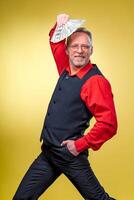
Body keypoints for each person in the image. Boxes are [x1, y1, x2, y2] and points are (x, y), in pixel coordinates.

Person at [13, 14, 118, 200]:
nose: (80, 51)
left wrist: (79, 145)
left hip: (69, 155)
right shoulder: (66, 68)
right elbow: (55, 43)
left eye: (85, 46)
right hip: (49, 152)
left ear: (91, 50)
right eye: (75, 46)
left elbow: (108, 124)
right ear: (68, 50)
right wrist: (59, 25)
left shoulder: (95, 81)